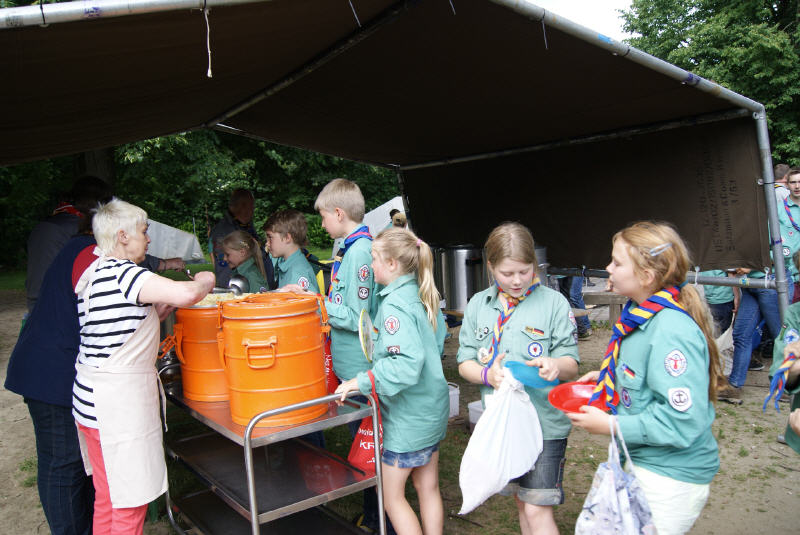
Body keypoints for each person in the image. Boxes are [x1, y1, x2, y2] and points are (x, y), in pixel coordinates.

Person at [567, 221, 722, 535]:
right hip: (643, 461)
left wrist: (610, 424)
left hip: (670, 476)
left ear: (646, 276)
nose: (608, 268)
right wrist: (610, 378)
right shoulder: (641, 315)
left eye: (617, 263)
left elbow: (682, 421)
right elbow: (646, 379)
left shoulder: (670, 330)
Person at [72, 198, 215, 535]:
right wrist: (205, 280)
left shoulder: (95, 272)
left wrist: (157, 312)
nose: (148, 239)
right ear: (123, 235)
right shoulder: (124, 273)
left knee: (108, 497)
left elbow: (121, 324)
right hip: (116, 408)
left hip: (90, 404)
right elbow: (187, 294)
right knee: (130, 502)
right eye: (144, 231)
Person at [457, 222, 579, 535]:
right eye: (507, 273)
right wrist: (487, 374)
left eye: (524, 271)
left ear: (534, 265)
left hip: (545, 425)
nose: (516, 280)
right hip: (504, 424)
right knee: (523, 503)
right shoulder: (479, 305)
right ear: (490, 267)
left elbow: (571, 364)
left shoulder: (554, 304)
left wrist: (554, 364)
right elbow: (465, 363)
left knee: (537, 507)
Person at [336, 228, 448, 535]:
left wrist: (361, 381)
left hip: (408, 419)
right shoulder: (421, 294)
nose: (370, 265)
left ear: (392, 264)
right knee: (427, 486)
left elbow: (406, 365)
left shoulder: (394, 306)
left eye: (374, 259)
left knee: (390, 495)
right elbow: (434, 346)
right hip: (431, 412)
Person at [6, 231, 99, 535]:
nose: (147, 240)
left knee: (78, 462)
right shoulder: (90, 252)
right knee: (64, 461)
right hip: (52, 374)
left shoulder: (83, 248)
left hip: (54, 368)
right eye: (141, 232)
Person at [313, 178, 383, 532]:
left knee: (369, 443)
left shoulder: (359, 252)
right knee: (362, 440)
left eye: (324, 217)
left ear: (339, 213)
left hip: (360, 366)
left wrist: (316, 304)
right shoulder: (349, 247)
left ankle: (376, 517)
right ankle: (374, 513)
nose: (322, 224)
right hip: (350, 365)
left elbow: (357, 314)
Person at [209, 188, 275, 288]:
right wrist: (231, 289)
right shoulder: (223, 231)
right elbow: (223, 267)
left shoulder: (246, 225)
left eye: (252, 206)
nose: (251, 210)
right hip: (239, 287)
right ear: (235, 206)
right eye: (247, 205)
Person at [264, 209, 321, 292]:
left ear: (287, 238)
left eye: (270, 237)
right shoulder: (287, 265)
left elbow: (306, 300)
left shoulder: (297, 273)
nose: (267, 243)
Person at [779, 168, 800, 303]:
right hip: (792, 279)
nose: (797, 186)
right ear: (786, 185)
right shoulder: (779, 210)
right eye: (793, 182)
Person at [700, 269, 736, 335]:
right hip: (724, 297)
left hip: (711, 297)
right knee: (720, 330)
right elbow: (732, 275)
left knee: (716, 328)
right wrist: (737, 297)